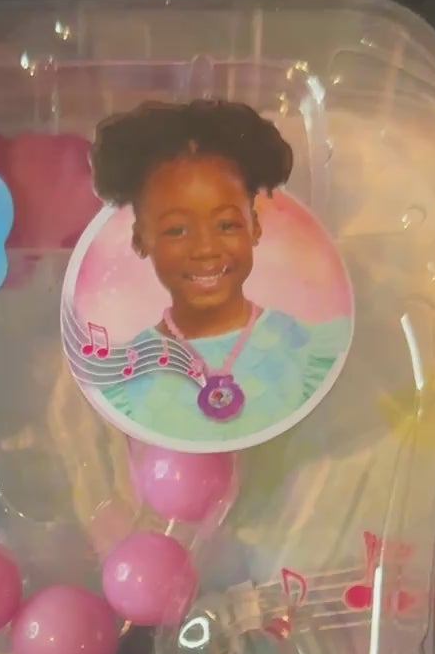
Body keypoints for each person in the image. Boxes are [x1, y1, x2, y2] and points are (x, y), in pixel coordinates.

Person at [88, 99, 350, 443]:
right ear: (140, 240)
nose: (205, 249)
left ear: (255, 227)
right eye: (176, 230)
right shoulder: (125, 379)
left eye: (226, 225)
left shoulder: (308, 352)